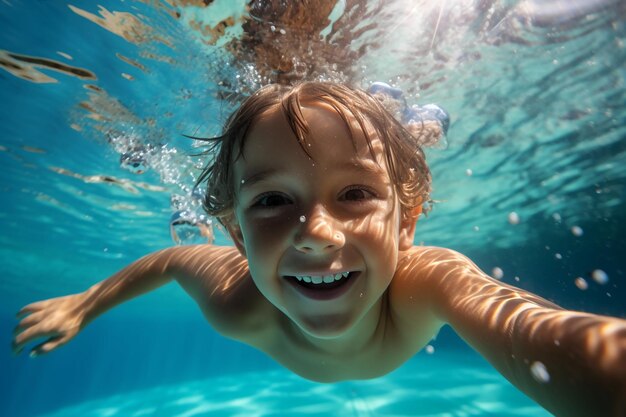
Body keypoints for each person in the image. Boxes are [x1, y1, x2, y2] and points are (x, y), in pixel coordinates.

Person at [12, 82, 625, 417]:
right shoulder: (236, 301)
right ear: (236, 235)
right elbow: (171, 260)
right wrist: (83, 304)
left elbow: (548, 338)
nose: (315, 231)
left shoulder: (426, 282)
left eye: (356, 192)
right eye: (273, 201)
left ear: (406, 223)